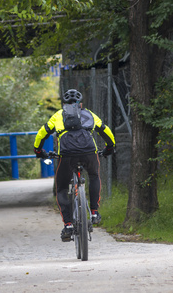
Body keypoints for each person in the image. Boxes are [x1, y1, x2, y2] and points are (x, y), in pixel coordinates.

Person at [33, 89, 115, 242]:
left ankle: (69, 224)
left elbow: (41, 133)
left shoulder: (58, 115)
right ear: (80, 104)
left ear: (64, 104)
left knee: (62, 188)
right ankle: (95, 213)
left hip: (67, 155)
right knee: (94, 176)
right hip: (89, 152)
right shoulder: (89, 114)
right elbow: (105, 130)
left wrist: (38, 150)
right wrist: (110, 147)